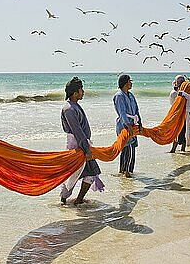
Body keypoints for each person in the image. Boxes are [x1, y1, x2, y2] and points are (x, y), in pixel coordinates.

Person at [60, 77, 104, 205]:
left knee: (91, 173)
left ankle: (78, 200)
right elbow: (77, 131)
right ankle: (63, 200)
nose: (83, 92)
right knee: (73, 175)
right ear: (75, 93)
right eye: (81, 90)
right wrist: (86, 149)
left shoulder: (74, 106)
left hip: (83, 144)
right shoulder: (69, 109)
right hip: (77, 147)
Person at [113, 74, 142, 177]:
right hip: (123, 126)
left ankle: (126, 171)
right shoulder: (119, 96)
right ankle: (126, 172)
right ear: (125, 83)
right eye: (130, 81)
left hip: (133, 125)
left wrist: (140, 123)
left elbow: (136, 110)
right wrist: (128, 126)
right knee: (127, 148)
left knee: (131, 148)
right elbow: (122, 113)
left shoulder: (131, 95)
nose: (131, 83)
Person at [169, 75, 190, 153]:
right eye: (178, 82)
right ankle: (173, 149)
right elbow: (172, 104)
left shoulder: (188, 90)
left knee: (184, 130)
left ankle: (182, 149)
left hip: (186, 113)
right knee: (176, 131)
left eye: (181, 82)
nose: (179, 84)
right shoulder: (173, 93)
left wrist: (183, 94)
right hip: (177, 114)